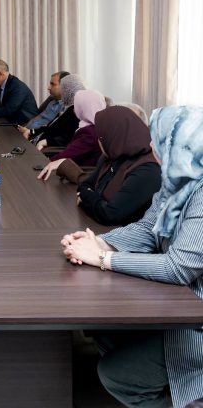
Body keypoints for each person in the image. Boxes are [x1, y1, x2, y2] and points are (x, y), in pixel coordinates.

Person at [60, 105, 203, 408]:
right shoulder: (177, 179)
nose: (150, 145)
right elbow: (148, 228)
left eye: (157, 139)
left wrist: (103, 259)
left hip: (195, 321)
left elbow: (179, 267)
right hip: (175, 301)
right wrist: (98, 242)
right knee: (105, 329)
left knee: (116, 375)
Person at [65, 106, 161, 225]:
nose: (99, 141)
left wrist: (86, 197)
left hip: (124, 233)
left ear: (114, 136)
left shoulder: (148, 170)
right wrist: (92, 198)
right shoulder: (111, 156)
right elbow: (85, 185)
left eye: (101, 137)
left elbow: (110, 214)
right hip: (97, 227)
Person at [37, 89, 106, 180]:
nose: (74, 109)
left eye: (77, 106)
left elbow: (66, 156)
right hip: (75, 172)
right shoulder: (99, 126)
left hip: (77, 178)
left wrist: (43, 163)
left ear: (83, 108)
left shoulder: (89, 133)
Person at [30, 73, 85, 148]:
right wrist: (31, 131)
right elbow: (51, 128)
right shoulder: (66, 106)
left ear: (71, 90)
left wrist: (46, 142)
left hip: (45, 148)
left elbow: (69, 137)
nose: (61, 91)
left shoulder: (76, 111)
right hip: (37, 141)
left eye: (63, 88)